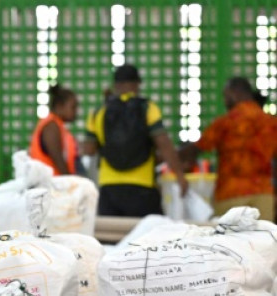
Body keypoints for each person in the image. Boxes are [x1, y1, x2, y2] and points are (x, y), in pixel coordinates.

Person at [83, 64, 189, 217]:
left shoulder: (98, 111)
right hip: (142, 187)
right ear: (136, 84)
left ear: (116, 85)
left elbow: (89, 150)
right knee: (147, 237)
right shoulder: (147, 108)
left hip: (109, 188)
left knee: (111, 238)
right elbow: (163, 144)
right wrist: (179, 174)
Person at [180, 77, 277, 220]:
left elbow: (197, 147)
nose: (225, 102)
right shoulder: (271, 123)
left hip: (231, 194)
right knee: (264, 239)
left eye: (225, 96)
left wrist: (172, 157)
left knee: (228, 240)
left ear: (233, 94)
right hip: (264, 194)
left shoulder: (226, 123)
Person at [30, 84, 79, 176]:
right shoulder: (51, 126)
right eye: (73, 107)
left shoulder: (59, 126)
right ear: (60, 106)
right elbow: (58, 159)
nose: (76, 112)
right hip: (48, 186)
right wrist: (71, 181)